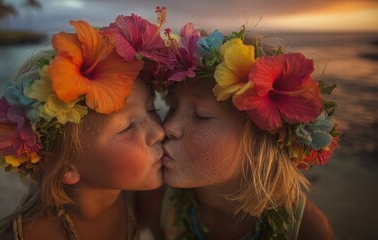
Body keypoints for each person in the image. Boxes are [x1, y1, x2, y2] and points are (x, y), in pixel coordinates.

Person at [0, 8, 170, 240]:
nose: (160, 131)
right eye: (127, 127)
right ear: (66, 166)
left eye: (152, 109)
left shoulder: (143, 200)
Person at [140, 23, 340, 239]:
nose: (167, 127)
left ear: (258, 143)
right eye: (171, 107)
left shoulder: (306, 230)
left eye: (201, 115)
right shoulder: (155, 204)